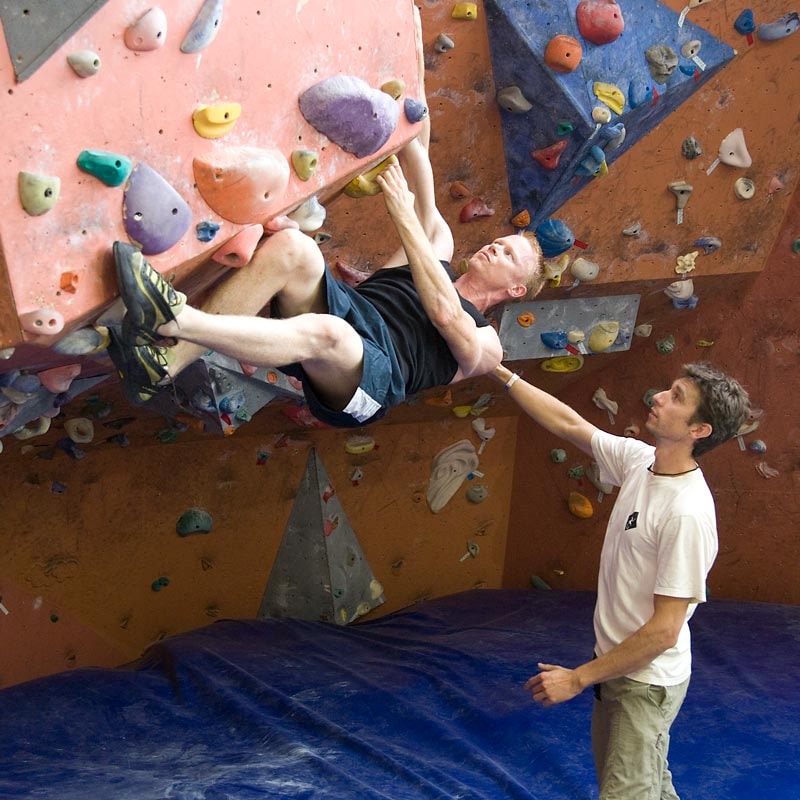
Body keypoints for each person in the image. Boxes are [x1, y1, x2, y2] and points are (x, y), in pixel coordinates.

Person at [102, 9, 544, 427]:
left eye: (508, 253)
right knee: (295, 249)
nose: (495, 245)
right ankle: (164, 365)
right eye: (502, 240)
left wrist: (404, 218)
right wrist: (410, 50)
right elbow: (418, 145)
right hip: (349, 313)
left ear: (515, 288)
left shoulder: (489, 346)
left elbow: (447, 316)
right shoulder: (440, 243)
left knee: (331, 334)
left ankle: (172, 316)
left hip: (373, 376)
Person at [494, 361, 750, 799]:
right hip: (617, 668)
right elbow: (570, 424)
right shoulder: (641, 462)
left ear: (699, 430)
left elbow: (664, 632)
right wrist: (498, 373)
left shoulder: (686, 513)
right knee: (649, 786)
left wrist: (578, 679)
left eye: (676, 398)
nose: (658, 397)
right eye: (668, 388)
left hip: (644, 685)